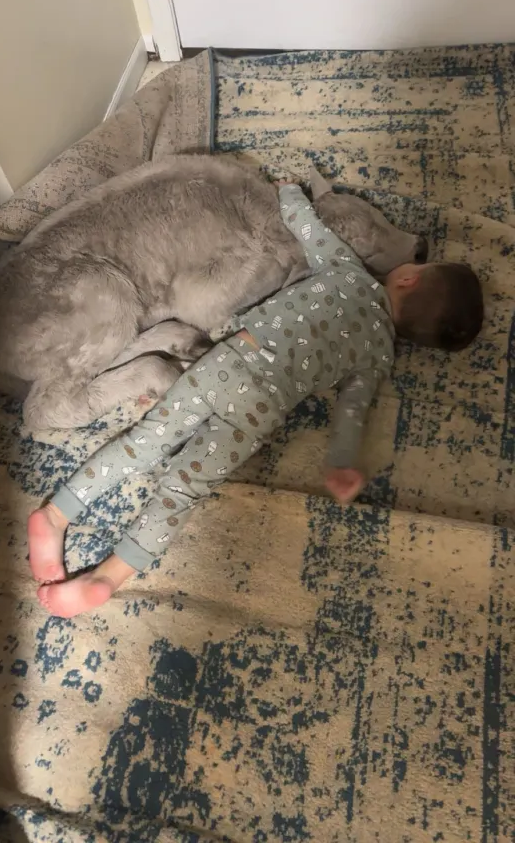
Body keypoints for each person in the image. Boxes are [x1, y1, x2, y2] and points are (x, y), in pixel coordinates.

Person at [28, 182, 484, 617]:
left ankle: (56, 514)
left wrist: (290, 193)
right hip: (261, 409)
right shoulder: (378, 355)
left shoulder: (350, 272)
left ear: (406, 280)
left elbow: (311, 230)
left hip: (230, 360)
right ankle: (109, 577)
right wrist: (341, 463)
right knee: (184, 488)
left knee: (144, 443)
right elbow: (351, 410)